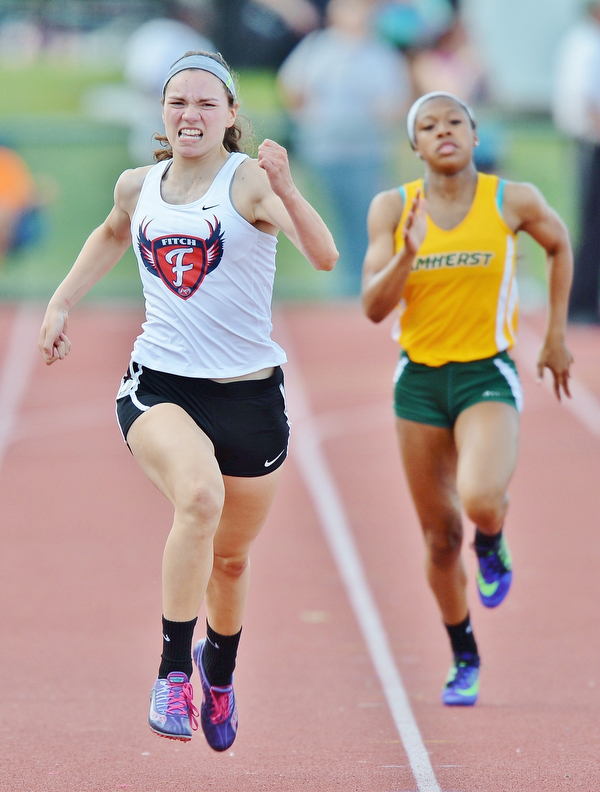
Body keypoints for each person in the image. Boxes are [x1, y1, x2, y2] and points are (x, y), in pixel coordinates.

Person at [38, 51, 337, 748]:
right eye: (178, 103)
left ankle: (219, 674)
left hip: (250, 400)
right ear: (162, 113)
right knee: (199, 499)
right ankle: (173, 670)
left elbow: (323, 257)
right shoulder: (136, 185)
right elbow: (112, 233)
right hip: (160, 385)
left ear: (232, 115)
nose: (190, 115)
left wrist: (289, 190)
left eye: (206, 103)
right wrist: (60, 303)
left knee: (230, 561)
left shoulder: (251, 185)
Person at [361, 92, 573, 705]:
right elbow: (374, 308)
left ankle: (493, 538)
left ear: (475, 135)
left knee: (480, 500)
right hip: (420, 383)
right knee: (437, 539)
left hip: (487, 374)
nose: (442, 131)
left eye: (454, 121)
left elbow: (559, 245)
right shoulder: (394, 209)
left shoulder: (512, 199)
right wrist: (408, 250)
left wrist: (555, 336)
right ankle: (464, 655)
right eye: (428, 125)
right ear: (415, 145)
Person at [277, 0, 410, 296]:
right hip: (322, 154)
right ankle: (333, 293)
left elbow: (396, 101)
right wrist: (310, 117)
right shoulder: (317, 48)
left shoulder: (381, 55)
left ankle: (360, 291)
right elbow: (291, 87)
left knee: (364, 227)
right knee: (321, 228)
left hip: (365, 156)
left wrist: (377, 116)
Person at [553, 0, 600, 324]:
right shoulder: (585, 43)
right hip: (592, 141)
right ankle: (582, 304)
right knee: (592, 226)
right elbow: (584, 100)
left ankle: (586, 303)